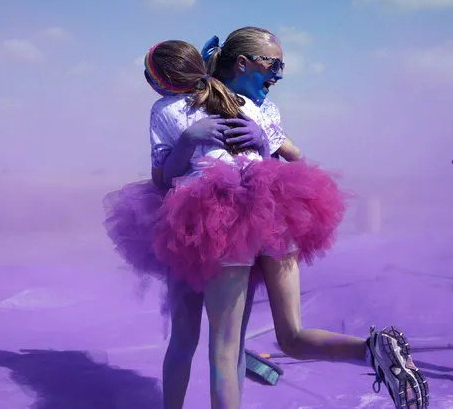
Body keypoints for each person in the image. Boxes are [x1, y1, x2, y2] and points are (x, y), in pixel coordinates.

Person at [155, 27, 429, 409]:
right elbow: (289, 156)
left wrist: (261, 140)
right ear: (243, 63)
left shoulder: (241, 107)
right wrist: (252, 142)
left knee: (222, 347)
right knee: (276, 338)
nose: (280, 74)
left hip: (225, 221)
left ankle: (373, 351)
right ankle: (373, 350)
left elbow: (165, 177)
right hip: (267, 214)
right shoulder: (234, 105)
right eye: (275, 64)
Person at [105, 38, 348, 408]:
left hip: (196, 226)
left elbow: (163, 178)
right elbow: (276, 159)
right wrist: (204, 140)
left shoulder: (172, 108)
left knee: (197, 339)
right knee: (228, 345)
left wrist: (193, 141)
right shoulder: (238, 104)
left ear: (164, 79)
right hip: (245, 223)